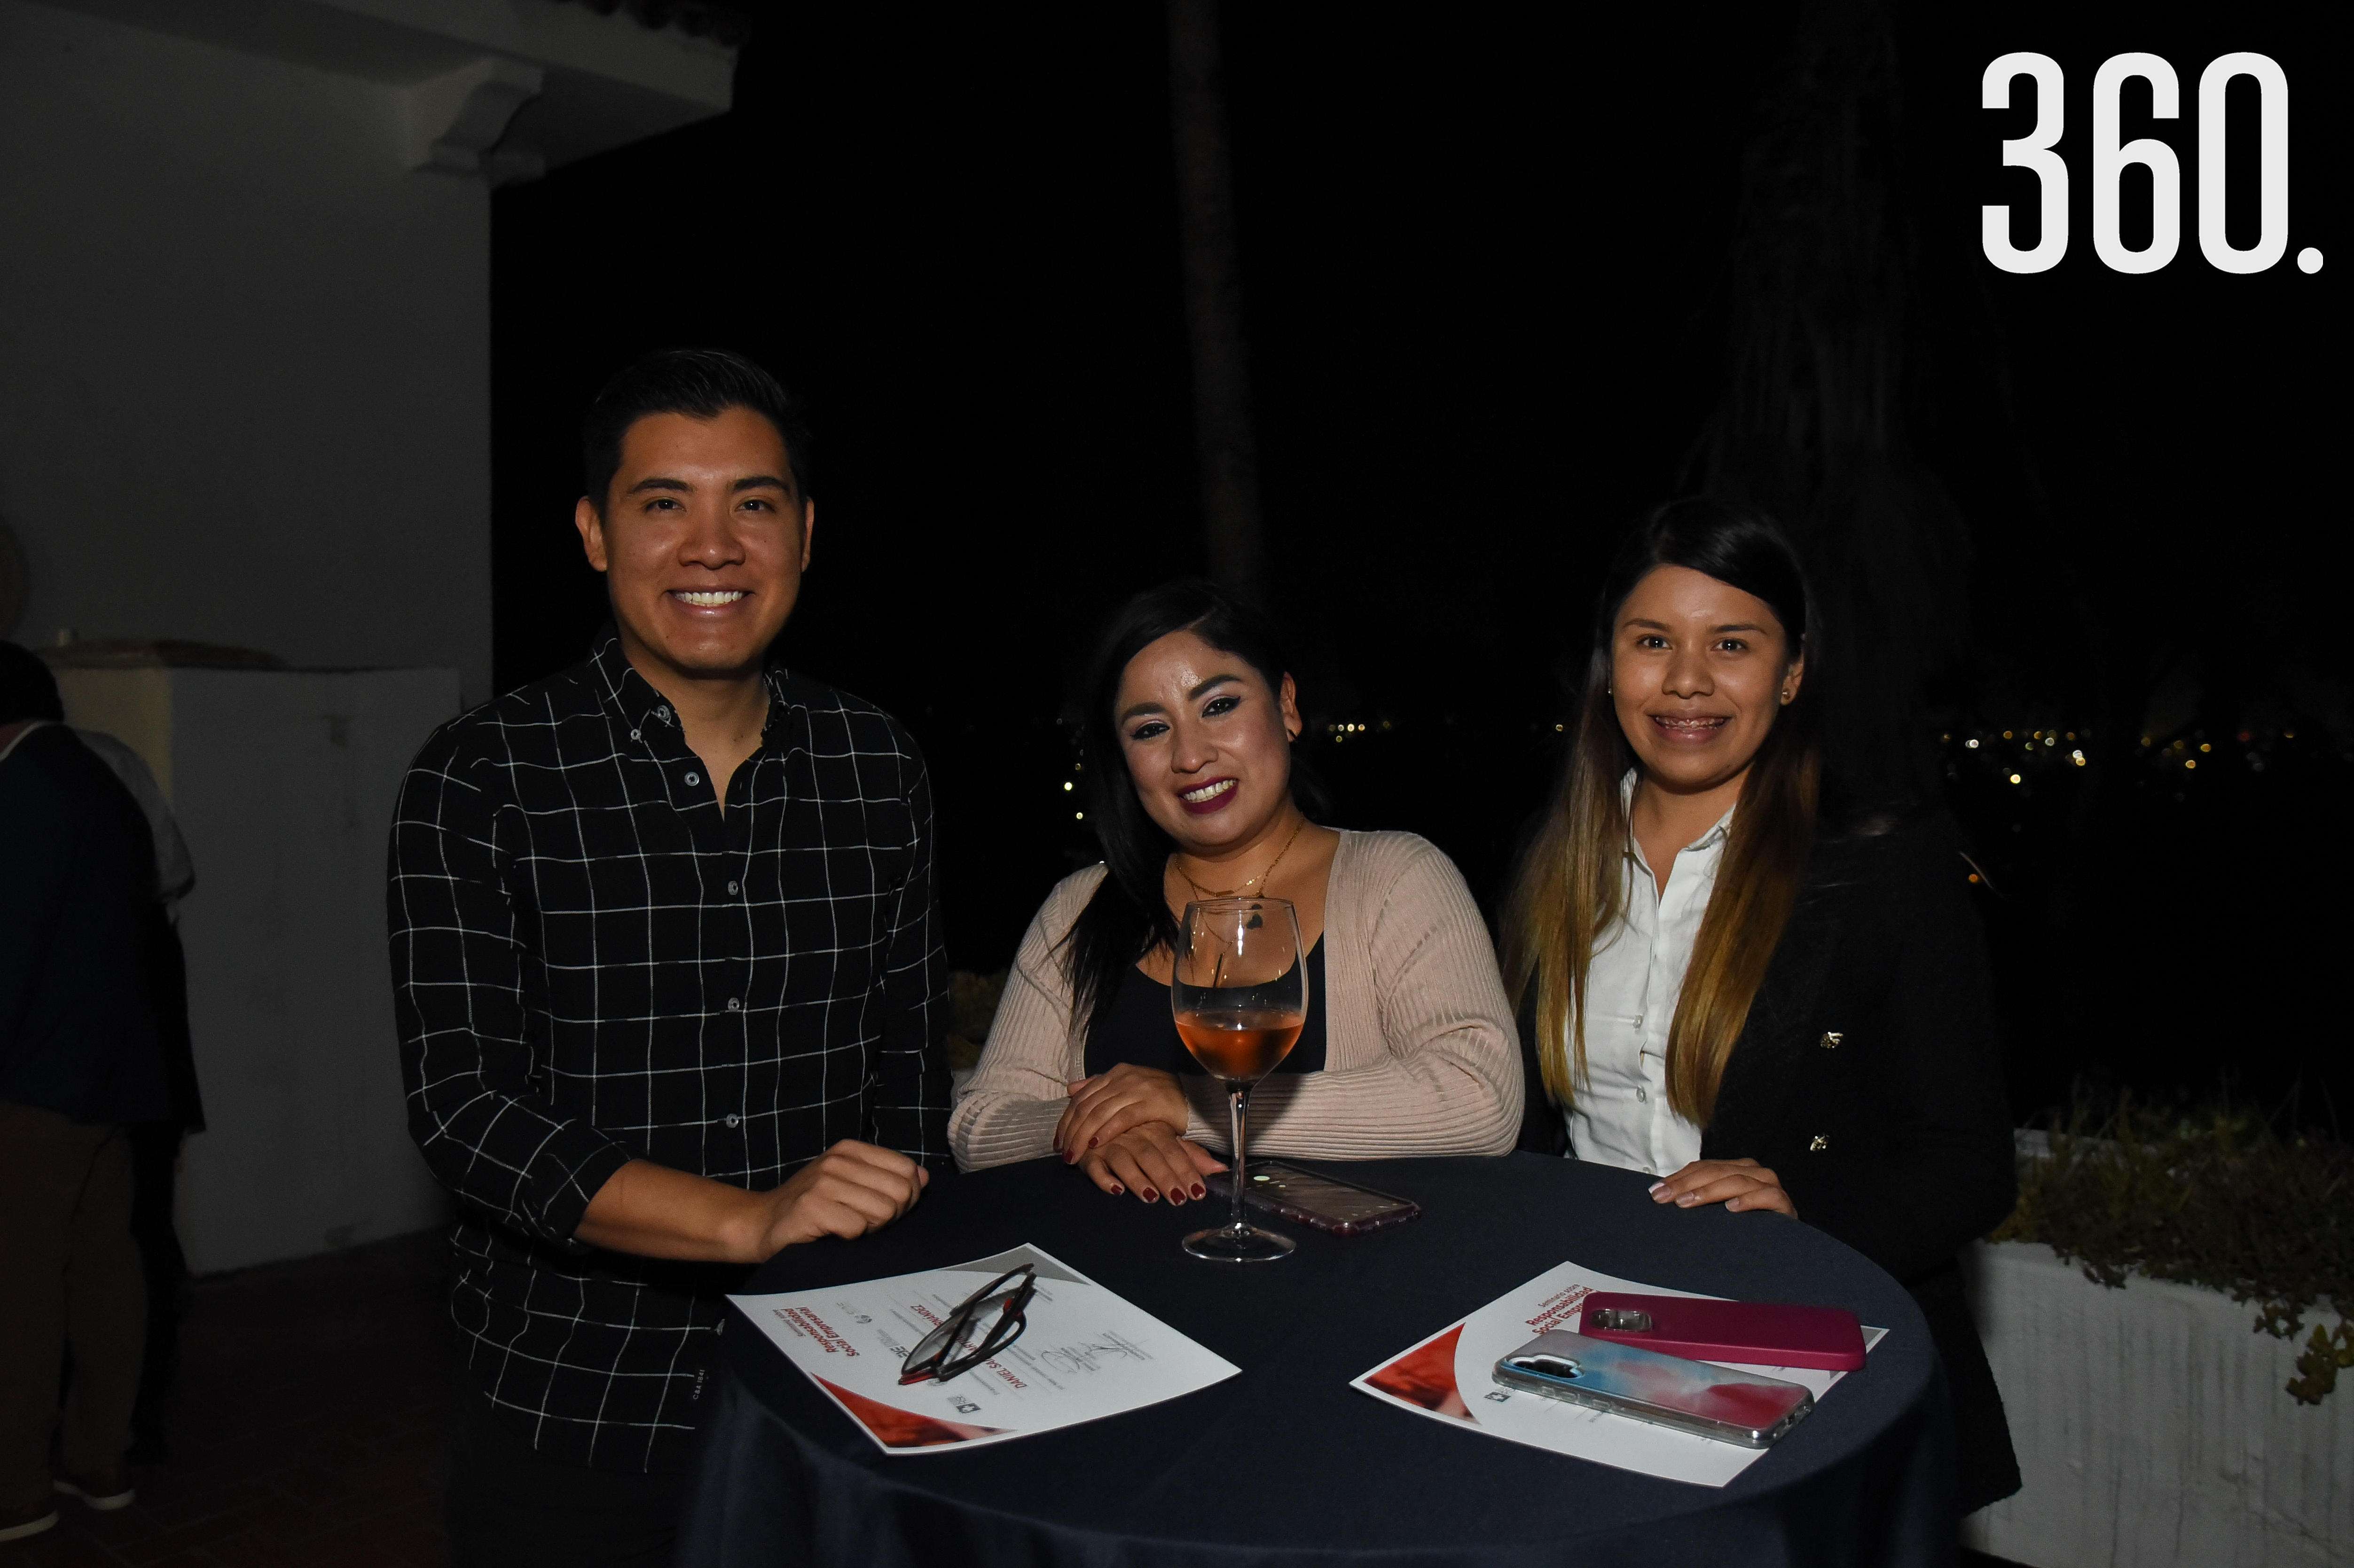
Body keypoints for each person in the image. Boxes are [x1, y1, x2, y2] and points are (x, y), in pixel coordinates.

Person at [388, 350, 949, 1568]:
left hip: (839, 1373)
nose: (713, 546)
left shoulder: (876, 759)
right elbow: (466, 1109)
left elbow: (906, 1046)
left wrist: (896, 1247)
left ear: (805, 532)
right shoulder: (483, 775)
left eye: (752, 503)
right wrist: (747, 1223)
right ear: (594, 533)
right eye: (664, 504)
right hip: (580, 1402)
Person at [1501, 498, 2020, 1512]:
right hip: (1586, 1326)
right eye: (1651, 641)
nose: (1686, 679)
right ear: (1610, 665)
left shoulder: (1881, 861)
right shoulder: (1547, 862)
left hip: (1789, 1332)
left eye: (1729, 644)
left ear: (1789, 672)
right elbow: (1521, 1130)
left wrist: (1803, 1215)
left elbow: (1969, 1165)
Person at [952, 580, 1521, 1199]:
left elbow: (1481, 1099)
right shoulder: (1078, 907)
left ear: (1287, 706)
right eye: (1150, 729)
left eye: (1218, 706)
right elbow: (980, 1126)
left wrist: (1194, 1107)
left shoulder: (1396, 879)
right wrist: (1106, 1131)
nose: (1191, 756)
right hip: (1115, 1283)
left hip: (1344, 1276)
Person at [0, 642, 165, 1543]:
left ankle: (14, 1490)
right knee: (104, 1275)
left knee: (18, 1291)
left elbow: (10, 957)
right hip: (109, 1080)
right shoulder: (96, 778)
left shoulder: (24, 790)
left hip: (33, 1088)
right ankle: (99, 1460)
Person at [72, 724, 203, 1462]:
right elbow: (172, 873)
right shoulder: (109, 760)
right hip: (136, 1050)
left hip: (121, 1053)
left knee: (132, 1233)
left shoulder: (95, 764)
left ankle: (127, 1413)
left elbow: (167, 877)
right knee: (133, 1232)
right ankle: (126, 1414)